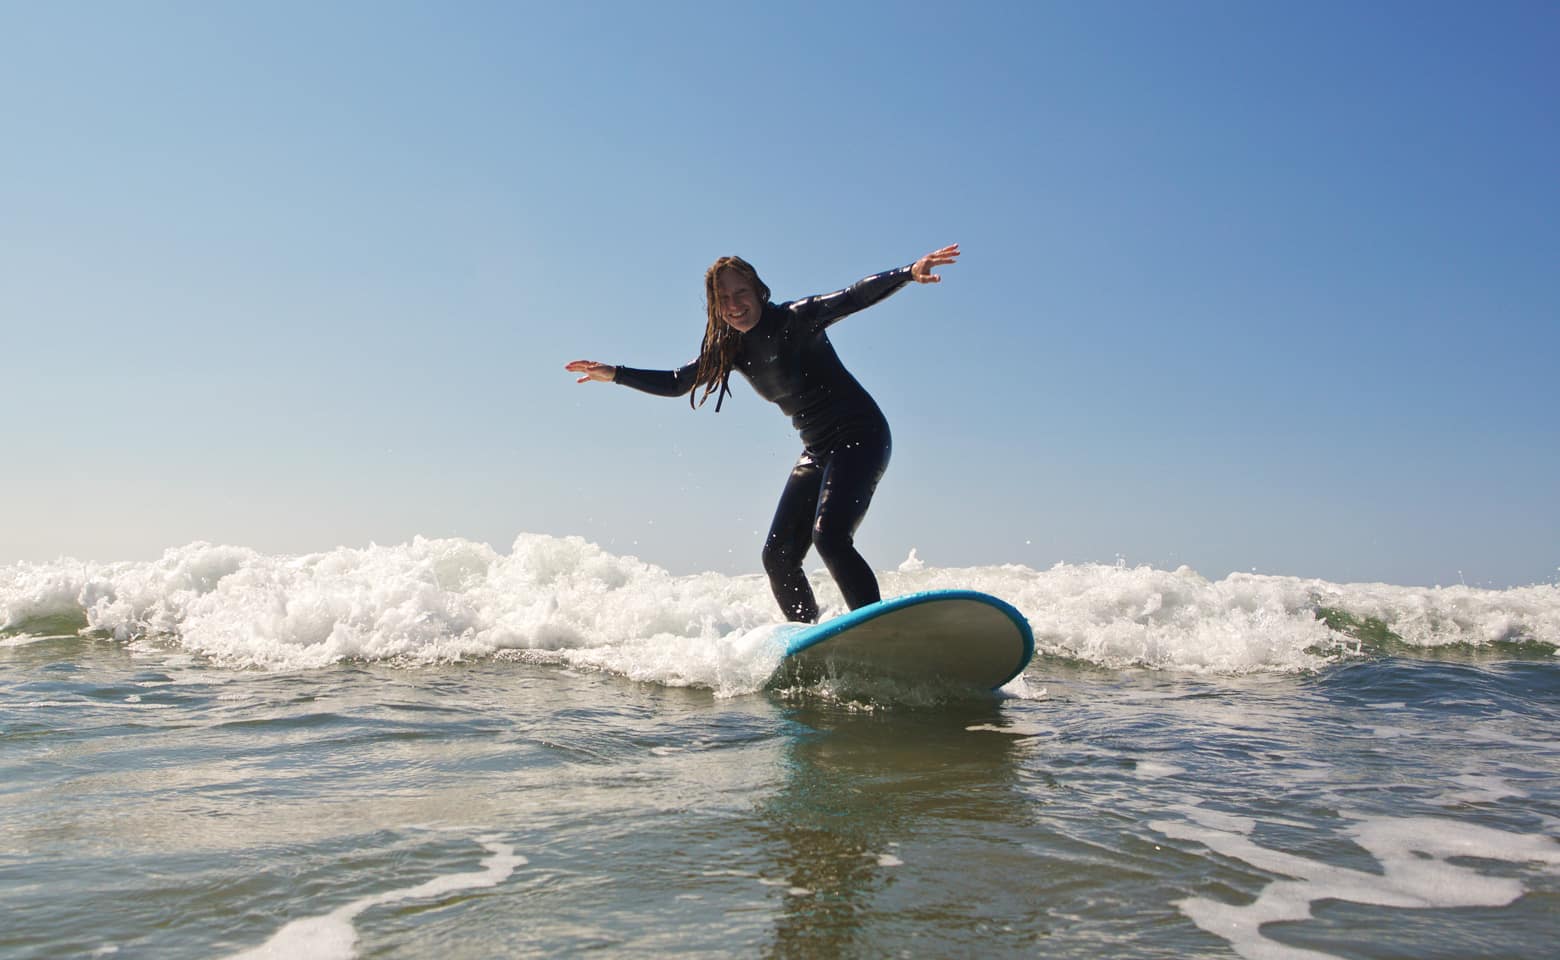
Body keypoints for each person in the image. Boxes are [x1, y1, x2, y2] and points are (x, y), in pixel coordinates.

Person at [565, 243, 960, 623]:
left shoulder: (796, 319)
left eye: (741, 292)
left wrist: (907, 272)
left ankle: (876, 630)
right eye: (723, 299)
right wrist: (615, 373)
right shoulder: (730, 349)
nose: (734, 305)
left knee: (830, 537)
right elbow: (677, 382)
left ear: (758, 290)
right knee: (778, 558)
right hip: (818, 449)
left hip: (862, 435)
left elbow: (852, 297)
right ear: (715, 306)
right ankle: (810, 639)